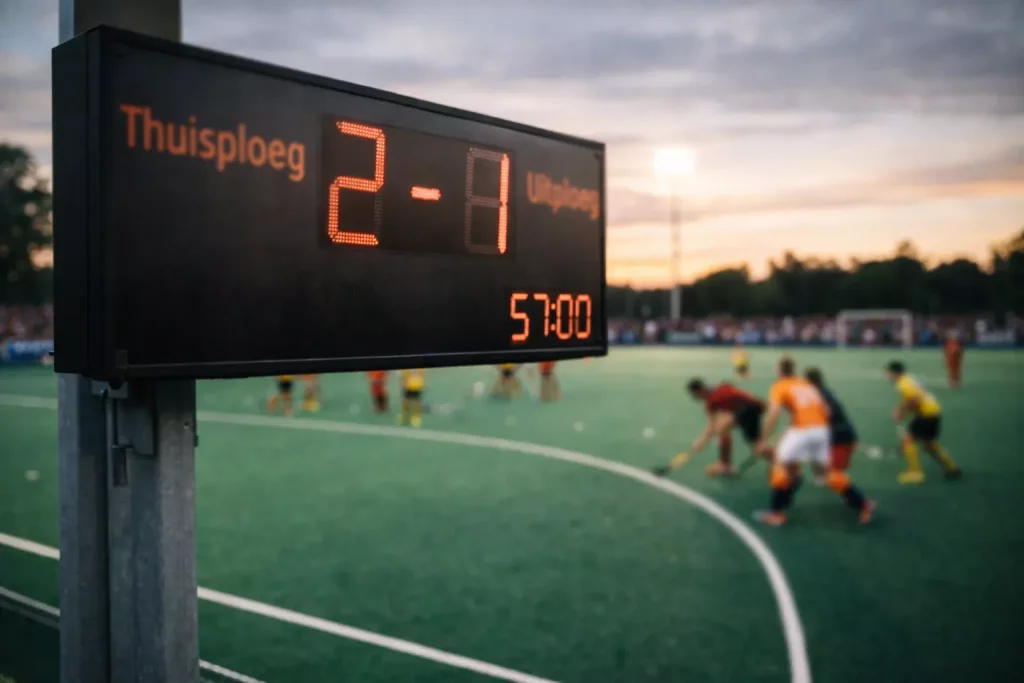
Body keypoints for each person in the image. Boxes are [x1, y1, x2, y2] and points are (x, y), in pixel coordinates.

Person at [754, 357, 874, 527]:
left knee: (780, 466)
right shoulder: (805, 383)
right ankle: (863, 504)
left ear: (779, 371)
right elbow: (824, 409)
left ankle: (777, 513)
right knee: (826, 474)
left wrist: (762, 439)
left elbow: (774, 413)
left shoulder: (779, 386)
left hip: (804, 430)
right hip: (822, 430)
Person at [652, 378, 768, 478]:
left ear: (699, 391)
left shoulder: (713, 400)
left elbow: (713, 424)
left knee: (756, 445)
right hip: (747, 409)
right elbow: (714, 423)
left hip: (749, 410)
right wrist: (702, 440)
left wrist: (702, 440)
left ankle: (778, 462)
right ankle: (725, 464)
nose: (694, 398)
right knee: (724, 428)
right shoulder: (719, 389)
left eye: (694, 395)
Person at [885, 360, 962, 484]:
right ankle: (952, 468)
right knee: (929, 444)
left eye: (888, 373)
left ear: (894, 373)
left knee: (907, 440)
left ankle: (915, 473)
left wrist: (901, 412)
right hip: (933, 411)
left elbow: (915, 399)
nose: (887, 376)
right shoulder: (909, 379)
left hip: (926, 414)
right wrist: (901, 409)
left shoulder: (902, 384)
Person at [804, 367, 857, 473]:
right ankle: (822, 478)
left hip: (839, 438)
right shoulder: (824, 391)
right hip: (840, 435)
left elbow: (828, 413)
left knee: (836, 474)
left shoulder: (818, 394)